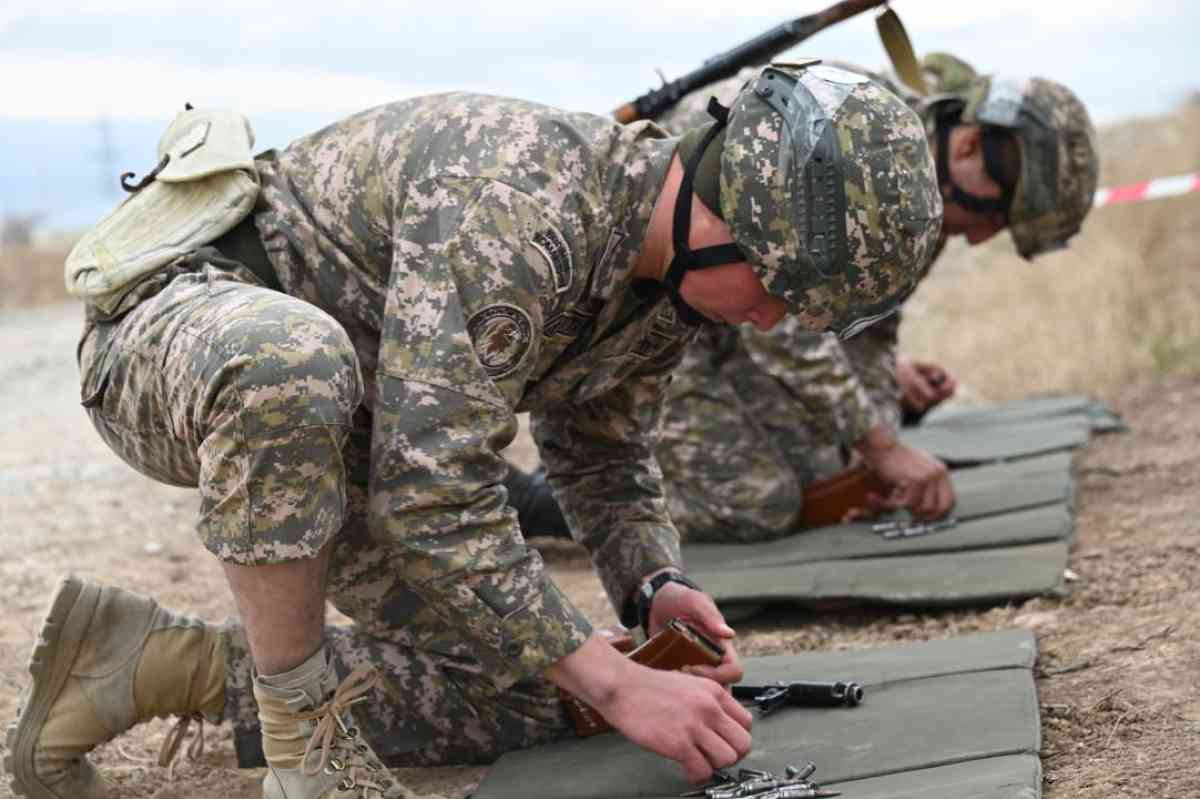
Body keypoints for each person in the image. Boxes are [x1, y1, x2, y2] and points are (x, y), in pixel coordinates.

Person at [6, 62, 942, 799]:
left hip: (363, 418)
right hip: (184, 332)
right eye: (778, 291)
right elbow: (435, 495)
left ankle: (147, 662)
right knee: (294, 359)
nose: (774, 322)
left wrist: (652, 582)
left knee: (548, 693)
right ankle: (302, 747)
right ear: (726, 216)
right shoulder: (526, 207)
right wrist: (615, 681)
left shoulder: (670, 290)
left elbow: (605, 454)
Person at [506, 54, 1100, 544]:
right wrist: (882, 446)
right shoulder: (837, 142)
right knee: (758, 504)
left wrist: (880, 426)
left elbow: (865, 325)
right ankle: (549, 502)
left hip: (732, 320)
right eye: (993, 211)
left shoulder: (916, 187)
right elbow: (784, 323)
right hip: (668, 313)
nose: (980, 235)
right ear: (968, 146)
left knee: (830, 473)